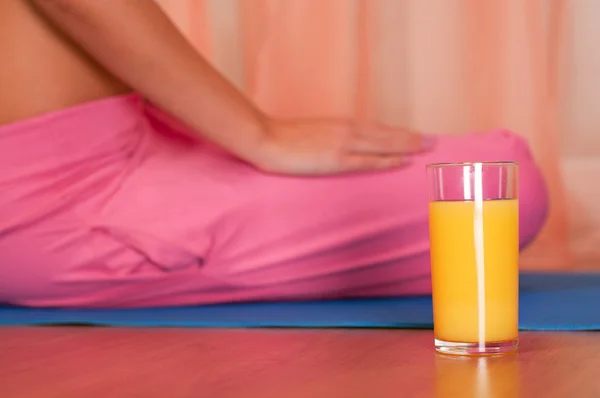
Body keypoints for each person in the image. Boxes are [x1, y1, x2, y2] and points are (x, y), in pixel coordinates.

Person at [0, 0, 548, 308]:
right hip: (65, 198)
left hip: (105, 153)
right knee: (507, 184)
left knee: (489, 181)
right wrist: (257, 135)